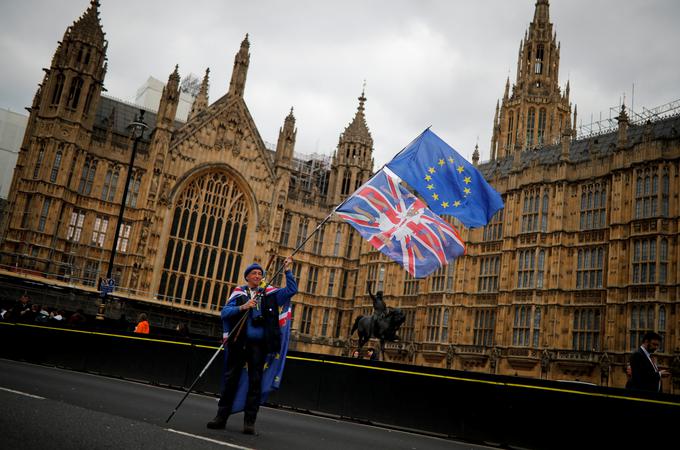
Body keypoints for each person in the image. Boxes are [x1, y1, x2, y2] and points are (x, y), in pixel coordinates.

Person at [207, 257, 297, 435]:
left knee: (255, 383)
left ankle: (249, 421)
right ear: (247, 277)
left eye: (260, 274)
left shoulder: (270, 293)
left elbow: (292, 290)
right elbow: (224, 312)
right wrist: (243, 307)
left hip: (259, 347)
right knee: (230, 380)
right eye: (254, 273)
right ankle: (221, 417)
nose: (257, 275)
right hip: (239, 344)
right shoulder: (239, 293)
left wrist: (288, 270)